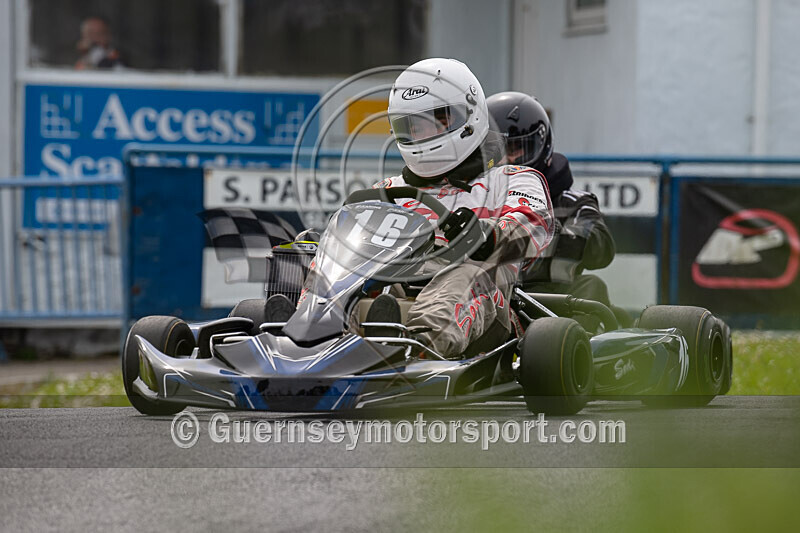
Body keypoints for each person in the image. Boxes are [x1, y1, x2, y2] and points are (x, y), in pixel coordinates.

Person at [355, 58, 556, 359]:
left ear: (469, 114)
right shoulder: (387, 190)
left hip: (486, 306)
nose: (423, 135)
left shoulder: (512, 180)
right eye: (413, 126)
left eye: (436, 122)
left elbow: (532, 226)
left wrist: (487, 234)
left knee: (466, 273)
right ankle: (301, 337)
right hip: (398, 288)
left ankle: (414, 351)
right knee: (333, 270)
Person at [486, 91, 627, 328]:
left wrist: (540, 229)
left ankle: (576, 346)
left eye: (515, 148)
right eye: (496, 150)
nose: (505, 160)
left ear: (542, 147)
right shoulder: (472, 201)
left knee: (591, 286)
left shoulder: (572, 202)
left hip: (546, 302)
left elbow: (600, 250)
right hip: (484, 295)